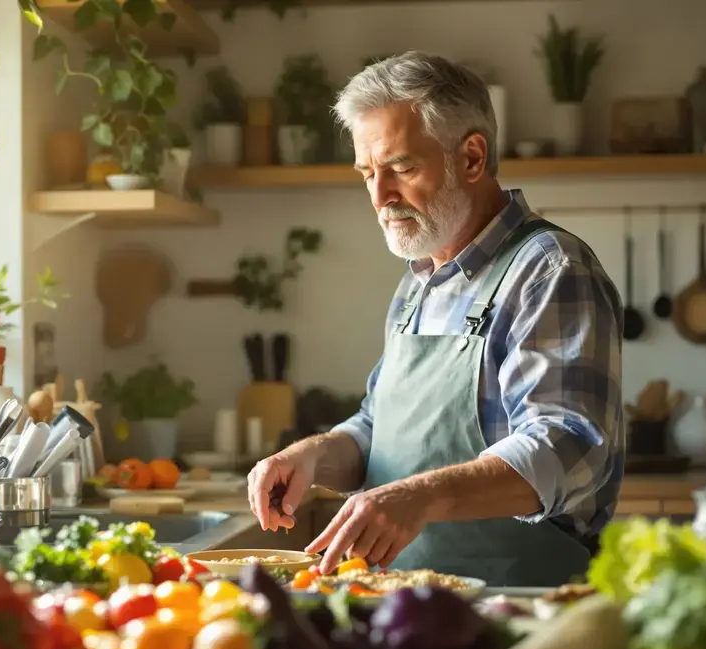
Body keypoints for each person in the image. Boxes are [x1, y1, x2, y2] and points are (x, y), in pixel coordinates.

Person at [246, 51, 625, 588]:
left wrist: (420, 496)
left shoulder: (548, 269)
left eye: (401, 168)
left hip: (519, 600)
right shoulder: (418, 282)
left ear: (471, 158)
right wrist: (313, 455)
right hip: (404, 600)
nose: (380, 197)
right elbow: (379, 428)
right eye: (367, 173)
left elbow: (569, 445)